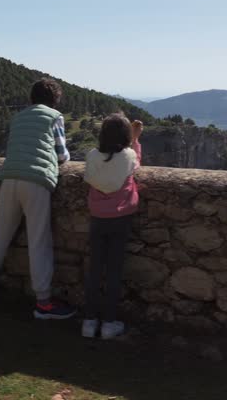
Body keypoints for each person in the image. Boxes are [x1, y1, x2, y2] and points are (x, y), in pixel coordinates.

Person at [0, 77, 77, 320]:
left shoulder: (18, 118)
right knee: (39, 241)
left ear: (32, 98)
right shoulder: (54, 116)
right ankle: (44, 303)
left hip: (9, 178)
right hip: (36, 181)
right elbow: (62, 155)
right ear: (55, 100)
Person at [81, 114, 143, 339]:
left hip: (97, 217)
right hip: (121, 218)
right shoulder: (127, 155)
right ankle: (108, 323)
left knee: (95, 269)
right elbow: (136, 163)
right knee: (114, 270)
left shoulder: (92, 156)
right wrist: (135, 140)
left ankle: (89, 322)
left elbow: (91, 176)